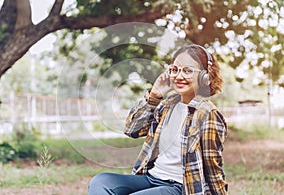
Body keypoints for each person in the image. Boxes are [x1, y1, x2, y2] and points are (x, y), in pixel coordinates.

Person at [88, 44, 228, 195]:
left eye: (187, 71)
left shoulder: (208, 114)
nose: (179, 76)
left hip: (181, 187)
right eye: (175, 70)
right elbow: (131, 129)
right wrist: (154, 96)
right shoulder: (166, 106)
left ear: (204, 76)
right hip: (152, 178)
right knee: (101, 182)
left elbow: (213, 167)